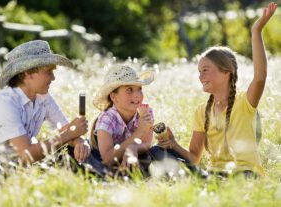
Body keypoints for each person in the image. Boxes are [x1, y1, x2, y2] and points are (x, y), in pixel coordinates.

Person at [150, 2, 277, 178]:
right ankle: (203, 179)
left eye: (206, 70)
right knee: (156, 152)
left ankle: (200, 180)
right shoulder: (201, 111)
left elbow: (260, 77)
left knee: (224, 178)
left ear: (226, 72)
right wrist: (173, 144)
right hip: (214, 174)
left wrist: (256, 31)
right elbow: (194, 158)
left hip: (245, 175)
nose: (200, 76)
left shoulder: (245, 103)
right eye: (199, 71)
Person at [0, 40, 90, 179]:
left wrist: (79, 140)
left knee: (72, 151)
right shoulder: (6, 103)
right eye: (48, 71)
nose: (53, 77)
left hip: (12, 167)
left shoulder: (43, 97)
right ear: (28, 73)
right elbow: (27, 155)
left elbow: (65, 128)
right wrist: (70, 134)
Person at [90, 64, 154, 176]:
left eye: (139, 89)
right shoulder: (107, 118)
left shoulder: (145, 112)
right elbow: (107, 158)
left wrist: (133, 147)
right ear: (114, 97)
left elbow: (147, 144)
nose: (137, 95)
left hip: (131, 154)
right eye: (129, 90)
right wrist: (139, 131)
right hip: (104, 156)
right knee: (96, 164)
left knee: (156, 152)